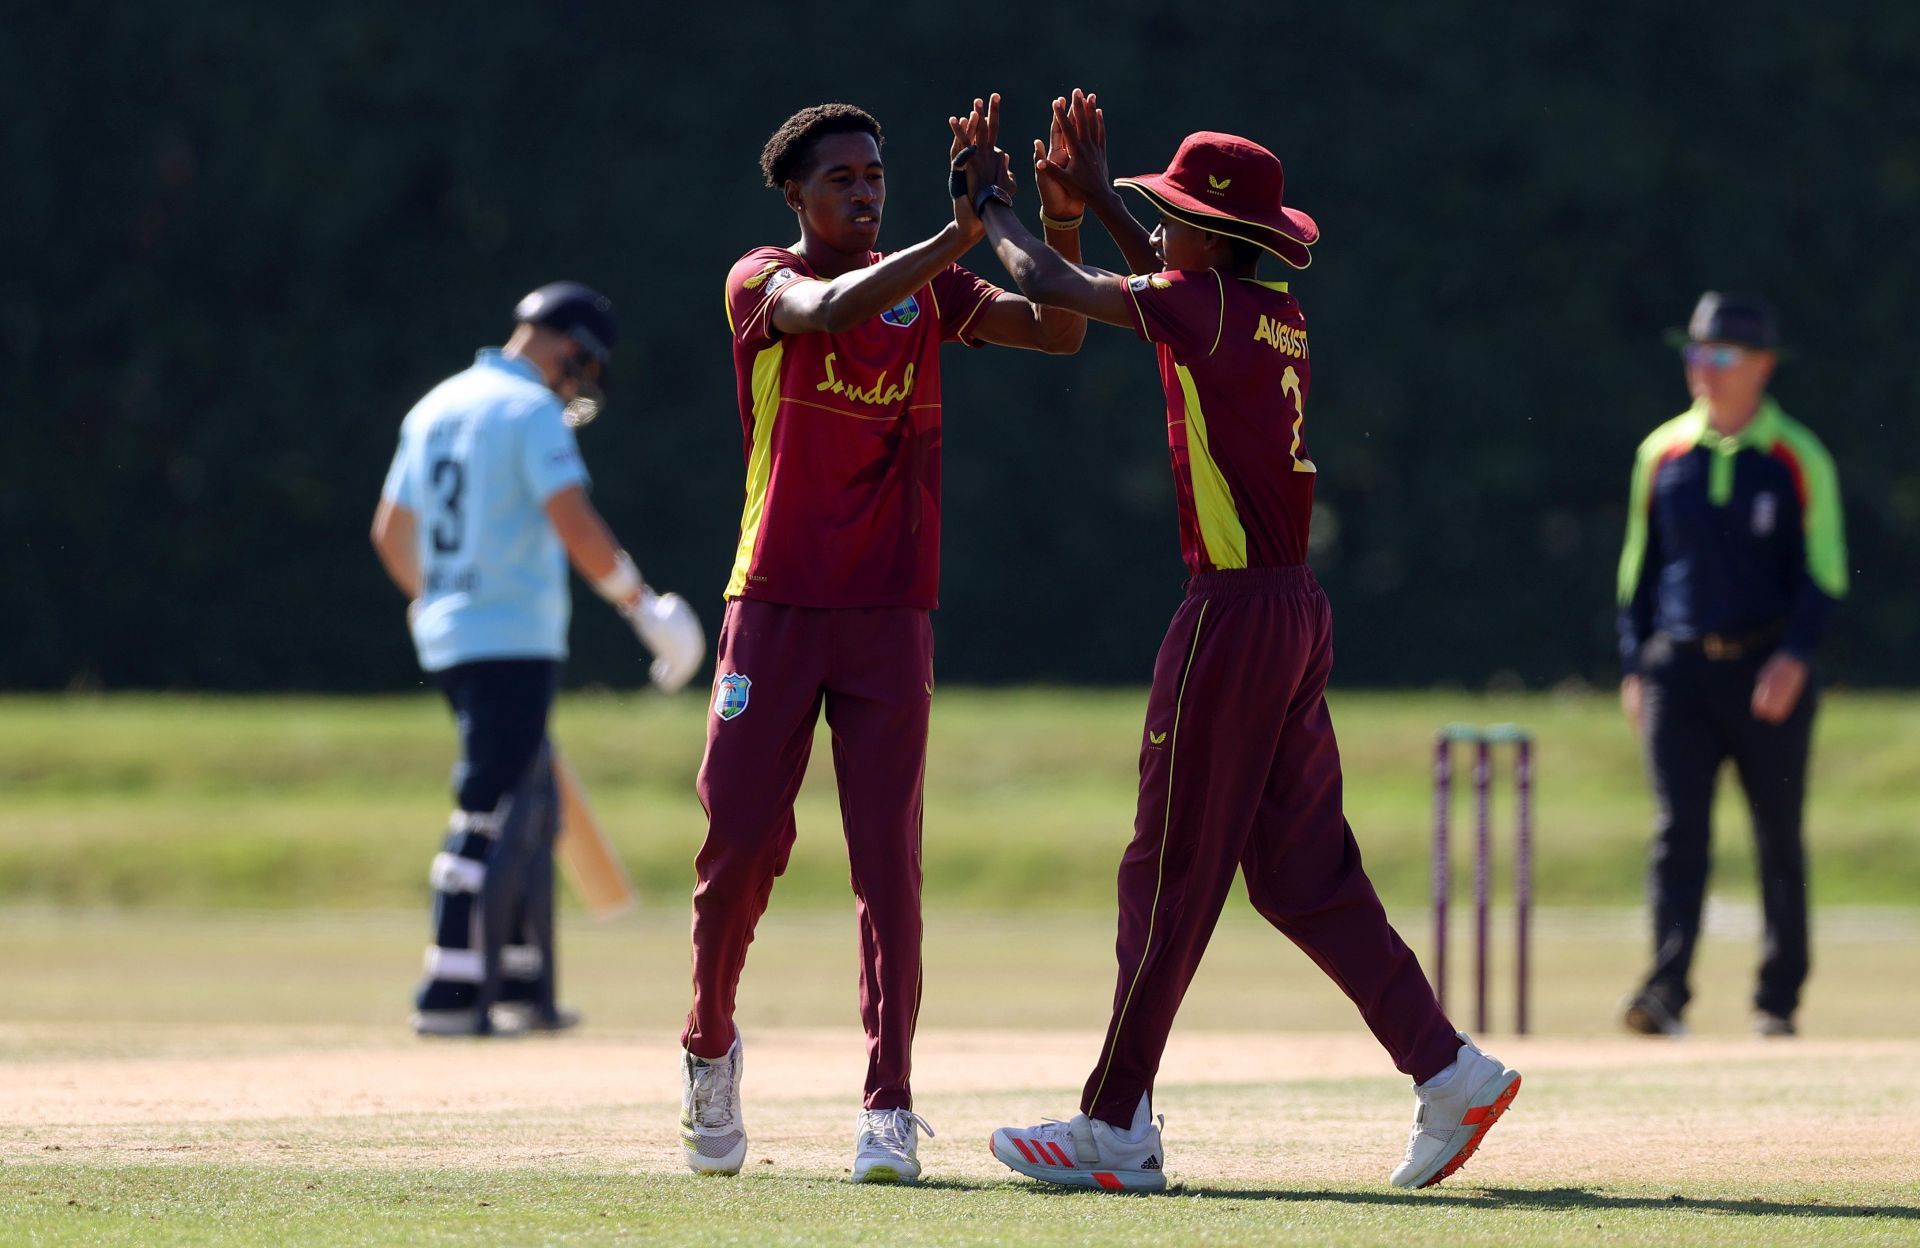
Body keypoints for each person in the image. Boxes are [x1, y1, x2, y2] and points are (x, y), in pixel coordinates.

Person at [950, 91, 1521, 1192]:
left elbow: (1051, 287)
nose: (1158, 226)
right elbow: (1160, 287)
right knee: (1304, 878)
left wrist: (992, 206)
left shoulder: (1199, 306)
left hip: (1232, 619)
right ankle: (1450, 1072)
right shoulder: (1260, 311)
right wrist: (1113, 199)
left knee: (1164, 875)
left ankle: (1113, 1125)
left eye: (1172, 213)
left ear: (1216, 238)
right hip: (1292, 612)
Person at [676, 100, 1088, 1184]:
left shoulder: (932, 286)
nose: (864, 192)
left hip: (890, 613)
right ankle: (708, 1045)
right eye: (842, 181)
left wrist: (1058, 222)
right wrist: (954, 235)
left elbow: (1059, 328)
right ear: (796, 198)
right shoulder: (761, 279)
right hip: (772, 602)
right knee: (737, 850)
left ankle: (889, 1105)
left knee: (887, 868)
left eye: (875, 176)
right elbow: (823, 311)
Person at [370, 282, 705, 1038]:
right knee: (488, 803)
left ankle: (517, 971)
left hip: (453, 629)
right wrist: (639, 605)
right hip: (511, 632)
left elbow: (391, 532)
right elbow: (573, 520)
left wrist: (438, 597)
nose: (578, 385)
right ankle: (451, 986)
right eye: (581, 368)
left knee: (522, 797)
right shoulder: (526, 410)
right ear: (568, 348)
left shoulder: (435, 404)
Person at [1616, 292, 1848, 1039]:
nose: (1703, 369)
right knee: (1676, 831)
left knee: (1777, 835)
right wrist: (1634, 665)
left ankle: (1777, 999)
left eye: (1720, 356)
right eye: (1694, 353)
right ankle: (1666, 993)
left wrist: (1797, 657)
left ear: (1763, 367)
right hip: (1677, 671)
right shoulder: (1662, 455)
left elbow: (1825, 573)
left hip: (1766, 672)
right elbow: (1638, 573)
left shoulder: (1797, 457)